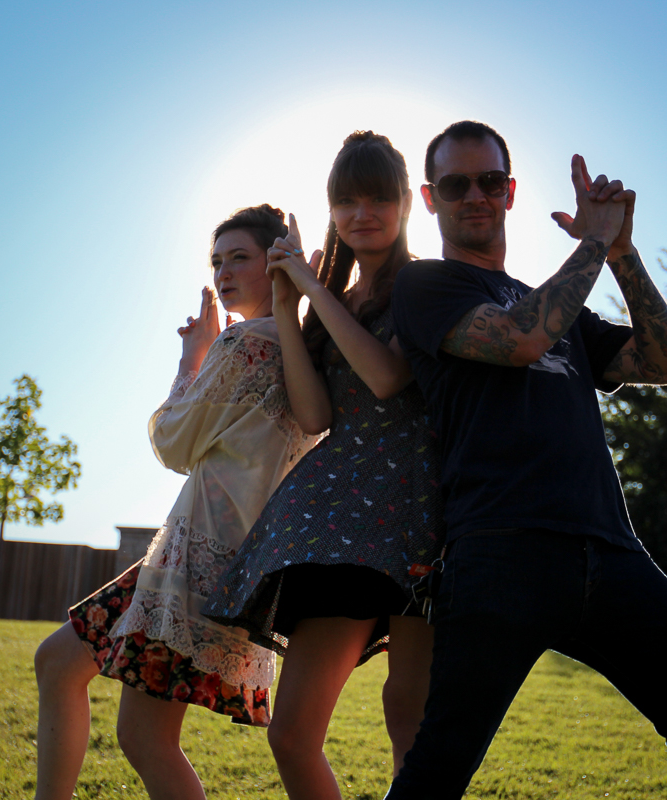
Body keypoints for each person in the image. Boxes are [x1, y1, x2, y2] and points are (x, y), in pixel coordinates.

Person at [384, 121, 667, 799]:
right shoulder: (424, 286)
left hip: (612, 552)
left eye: (489, 181)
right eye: (456, 184)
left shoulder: (560, 306)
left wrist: (621, 251)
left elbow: (666, 362)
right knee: (438, 770)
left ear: (510, 192)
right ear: (430, 199)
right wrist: (591, 242)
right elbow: (520, 340)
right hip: (500, 552)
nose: (475, 195)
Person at [34, 205, 313, 800]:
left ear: (275, 263)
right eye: (217, 261)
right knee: (58, 663)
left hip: (198, 568)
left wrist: (192, 359)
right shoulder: (298, 345)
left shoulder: (245, 343)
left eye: (239, 257)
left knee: (145, 737)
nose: (223, 272)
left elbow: (172, 441)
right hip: (207, 559)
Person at [204, 131, 445, 800]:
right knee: (291, 734)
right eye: (346, 202)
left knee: (410, 713)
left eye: (379, 199)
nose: (362, 214)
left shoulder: (423, 284)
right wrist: (289, 305)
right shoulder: (334, 295)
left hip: (420, 511)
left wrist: (313, 285)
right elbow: (313, 416)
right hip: (339, 523)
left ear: (406, 204)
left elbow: (388, 377)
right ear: (331, 209)